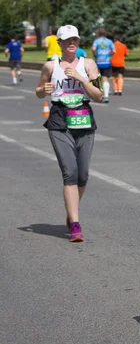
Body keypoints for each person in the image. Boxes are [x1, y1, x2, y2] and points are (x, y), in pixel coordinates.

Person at [35, 25, 103, 242]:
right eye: (67, 40)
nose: (71, 43)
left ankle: (70, 210)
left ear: (78, 41)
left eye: (74, 39)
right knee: (70, 172)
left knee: (83, 175)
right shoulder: (50, 65)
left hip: (83, 117)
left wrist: (81, 79)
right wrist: (42, 91)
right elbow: (38, 91)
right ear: (60, 43)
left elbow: (99, 95)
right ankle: (75, 224)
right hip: (59, 119)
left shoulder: (89, 64)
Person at [92, 28, 115, 103]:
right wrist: (109, 55)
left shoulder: (97, 41)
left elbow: (93, 48)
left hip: (99, 61)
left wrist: (95, 55)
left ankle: (98, 95)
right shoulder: (109, 41)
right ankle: (106, 96)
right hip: (107, 62)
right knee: (105, 79)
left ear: (98, 34)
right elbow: (114, 51)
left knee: (98, 78)